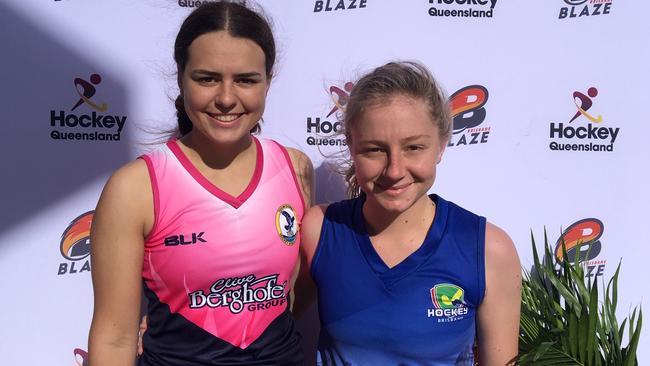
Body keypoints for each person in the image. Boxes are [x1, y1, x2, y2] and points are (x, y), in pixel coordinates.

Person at [88, 2, 313, 365]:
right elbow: (114, 340)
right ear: (181, 78)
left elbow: (289, 299)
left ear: (268, 81)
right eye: (207, 78)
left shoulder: (296, 168)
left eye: (245, 79)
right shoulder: (136, 187)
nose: (226, 98)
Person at [297, 61, 521, 365]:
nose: (395, 170)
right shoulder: (321, 230)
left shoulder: (488, 250)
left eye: (414, 148)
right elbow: (266, 328)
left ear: (441, 145)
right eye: (374, 149)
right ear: (351, 145)